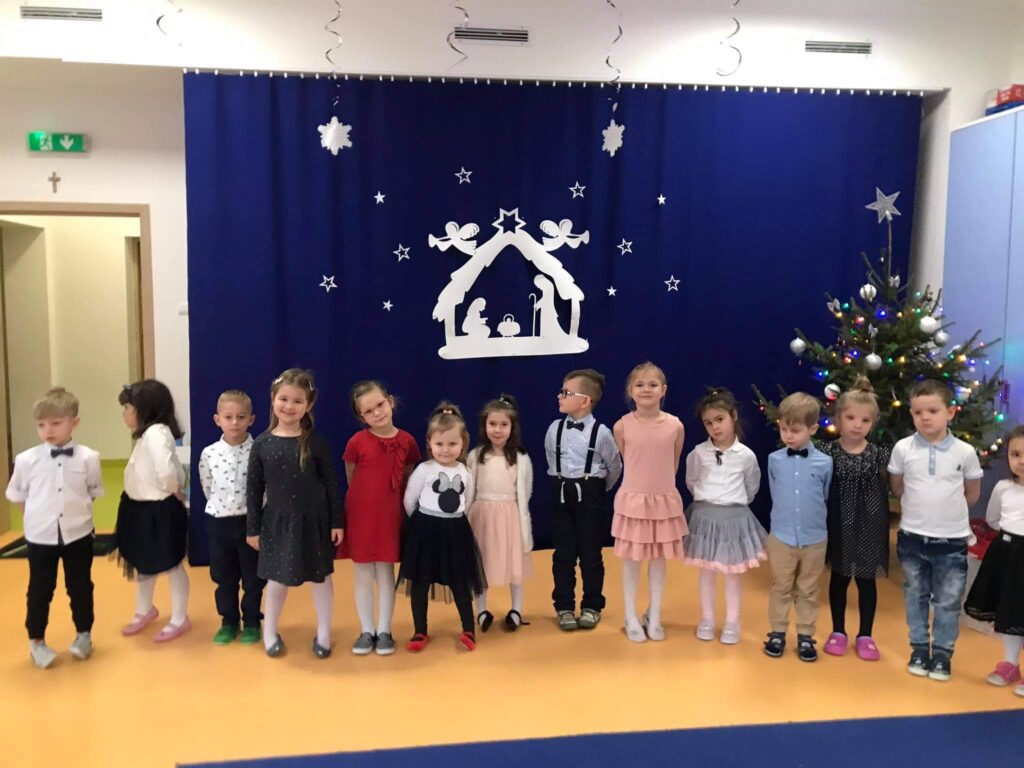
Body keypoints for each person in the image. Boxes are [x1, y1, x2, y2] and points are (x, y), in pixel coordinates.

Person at [246, 369, 343, 659]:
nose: (289, 406)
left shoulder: (315, 442)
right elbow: (253, 490)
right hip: (277, 524)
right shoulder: (262, 443)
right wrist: (253, 529)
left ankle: (324, 632)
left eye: (297, 401)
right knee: (276, 581)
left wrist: (336, 522)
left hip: (314, 522)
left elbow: (331, 485)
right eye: (284, 399)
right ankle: (269, 631)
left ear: (308, 405)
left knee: (321, 578)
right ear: (273, 399)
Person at [890, 379, 982, 681]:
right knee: (915, 595)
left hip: (951, 541)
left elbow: (971, 493)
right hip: (912, 538)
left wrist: (946, 513)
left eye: (932, 411)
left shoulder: (964, 452)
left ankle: (942, 654)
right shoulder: (903, 448)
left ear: (950, 412)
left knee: (947, 600)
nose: (925, 418)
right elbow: (898, 486)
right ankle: (919, 649)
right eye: (918, 412)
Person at [6, 387, 103, 667]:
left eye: (56, 423)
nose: (48, 430)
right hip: (40, 537)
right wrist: (35, 519)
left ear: (75, 422)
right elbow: (18, 495)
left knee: (80, 586)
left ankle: (84, 634)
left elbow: (92, 491)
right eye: (41, 425)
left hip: (78, 534)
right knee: (40, 589)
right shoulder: (26, 460)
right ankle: (36, 641)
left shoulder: (89, 457)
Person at [544, 368, 622, 631]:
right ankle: (564, 605)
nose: (559, 396)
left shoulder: (602, 433)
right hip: (561, 492)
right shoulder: (554, 429)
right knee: (563, 555)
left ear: (585, 401)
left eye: (566, 393)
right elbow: (551, 460)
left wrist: (595, 490)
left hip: (590, 496)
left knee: (591, 555)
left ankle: (592, 605)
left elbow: (614, 467)